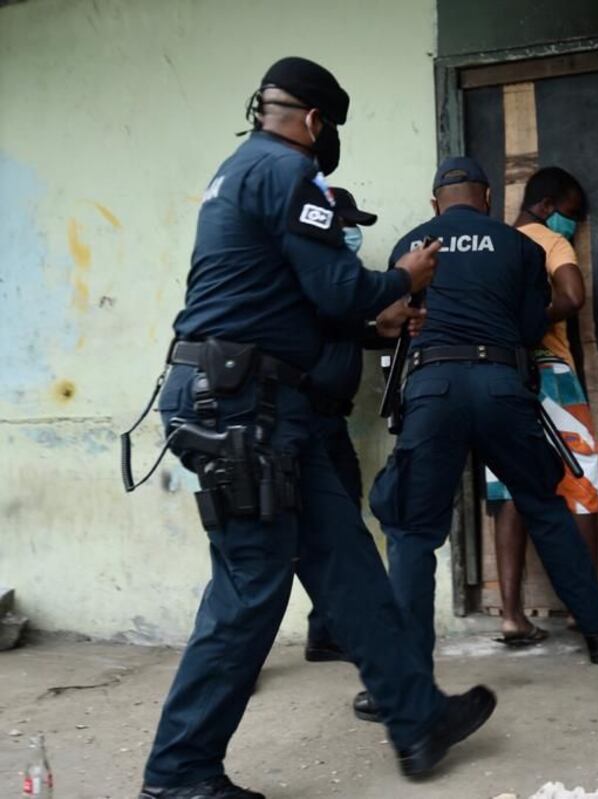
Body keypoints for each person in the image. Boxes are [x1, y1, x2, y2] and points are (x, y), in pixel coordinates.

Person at [137, 58, 493, 798]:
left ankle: (416, 717)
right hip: (242, 406)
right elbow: (337, 285)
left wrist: (375, 316)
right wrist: (406, 278)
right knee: (250, 588)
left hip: (262, 404)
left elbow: (296, 305)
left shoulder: (241, 168)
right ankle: (179, 773)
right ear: (315, 122)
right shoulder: (290, 174)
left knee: (348, 567)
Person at [356, 155, 598, 722]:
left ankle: (405, 680)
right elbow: (527, 326)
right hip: (499, 386)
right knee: (543, 505)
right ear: (486, 199)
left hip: (433, 388)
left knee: (414, 534)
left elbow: (395, 318)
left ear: (434, 201)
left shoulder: (411, 244)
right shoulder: (521, 247)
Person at [300, 187, 419, 663]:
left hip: (328, 421)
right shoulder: (309, 275)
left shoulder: (333, 279)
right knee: (272, 548)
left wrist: (378, 330)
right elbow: (321, 326)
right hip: (299, 422)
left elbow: (337, 332)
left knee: (340, 528)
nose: (350, 234)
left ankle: (329, 632)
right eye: (344, 223)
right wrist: (398, 281)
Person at [485, 166, 598, 645]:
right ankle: (584, 611)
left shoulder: (491, 243)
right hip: (550, 374)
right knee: (581, 483)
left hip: (500, 380)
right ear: (549, 206)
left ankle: (512, 616)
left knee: (508, 491)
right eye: (572, 216)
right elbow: (573, 296)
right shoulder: (548, 241)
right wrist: (533, 318)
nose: (573, 227)